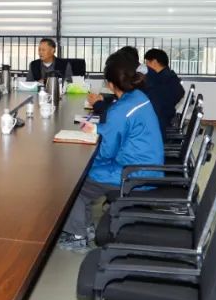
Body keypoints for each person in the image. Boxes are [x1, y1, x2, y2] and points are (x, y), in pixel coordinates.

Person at [58, 54, 164, 253]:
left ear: (111, 84)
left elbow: (106, 152)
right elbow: (115, 132)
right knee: (85, 176)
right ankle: (84, 227)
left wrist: (83, 154)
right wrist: (98, 130)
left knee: (74, 181)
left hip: (133, 173)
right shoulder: (138, 97)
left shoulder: (121, 109)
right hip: (146, 166)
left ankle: (77, 236)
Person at [143, 48, 186, 130]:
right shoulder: (169, 76)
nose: (146, 66)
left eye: (147, 62)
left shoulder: (160, 80)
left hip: (159, 122)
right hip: (165, 118)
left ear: (154, 62)